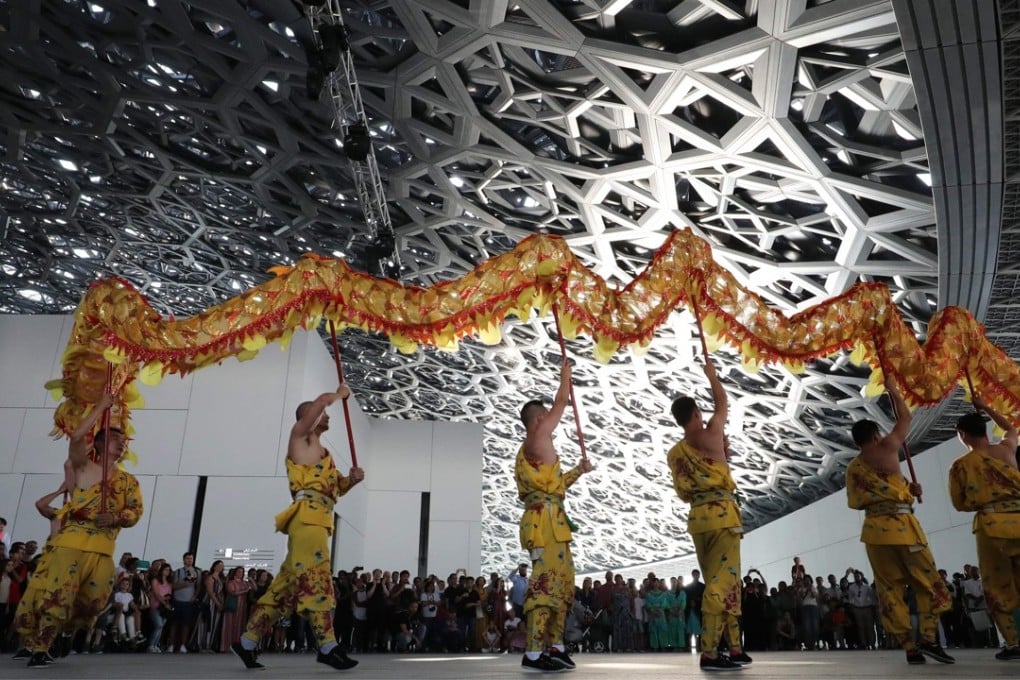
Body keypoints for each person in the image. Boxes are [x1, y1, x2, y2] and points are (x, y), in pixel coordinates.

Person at [231, 384, 364, 671]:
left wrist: (351, 480)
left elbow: (335, 489)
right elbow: (318, 403)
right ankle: (327, 645)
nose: (327, 415)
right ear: (306, 418)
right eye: (321, 413)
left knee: (284, 589)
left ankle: (248, 641)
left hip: (318, 519)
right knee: (317, 579)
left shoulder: (323, 453)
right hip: (308, 521)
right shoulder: (299, 438)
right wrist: (337, 396)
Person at [13, 393, 143, 668]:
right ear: (99, 443)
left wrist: (118, 517)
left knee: (93, 603)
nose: (122, 444)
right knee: (58, 595)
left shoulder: (129, 481)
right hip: (70, 543)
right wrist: (100, 406)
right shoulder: (83, 468)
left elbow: (136, 511)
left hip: (103, 549)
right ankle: (40, 647)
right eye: (117, 440)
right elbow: (76, 438)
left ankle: (66, 633)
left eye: (124, 442)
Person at [847, 377, 954, 665]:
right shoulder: (888, 447)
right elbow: (905, 417)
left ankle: (910, 647)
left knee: (890, 590)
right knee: (927, 582)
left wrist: (908, 488)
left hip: (875, 534)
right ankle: (929, 638)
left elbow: (856, 500)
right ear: (874, 436)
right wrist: (892, 387)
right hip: (903, 528)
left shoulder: (854, 467)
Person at [667, 359, 751, 671]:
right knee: (721, 584)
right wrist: (711, 375)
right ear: (696, 414)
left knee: (724, 581)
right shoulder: (712, 433)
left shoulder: (675, 453)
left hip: (699, 519)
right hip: (724, 515)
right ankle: (711, 652)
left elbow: (682, 490)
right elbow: (723, 402)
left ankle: (734, 646)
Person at [515, 358, 593, 671]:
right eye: (546, 414)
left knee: (562, 588)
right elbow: (562, 401)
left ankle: (555, 646)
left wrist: (578, 471)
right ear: (538, 419)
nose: (551, 417)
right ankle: (533, 652)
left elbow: (556, 487)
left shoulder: (541, 448)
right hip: (542, 525)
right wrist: (566, 371)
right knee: (543, 587)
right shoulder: (536, 439)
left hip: (555, 522)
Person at [949, 397, 1020, 661]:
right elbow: (1012, 428)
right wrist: (988, 407)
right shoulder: (1006, 451)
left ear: (962, 434)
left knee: (999, 587)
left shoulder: (961, 466)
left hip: (992, 528)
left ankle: (1014, 642)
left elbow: (960, 504)